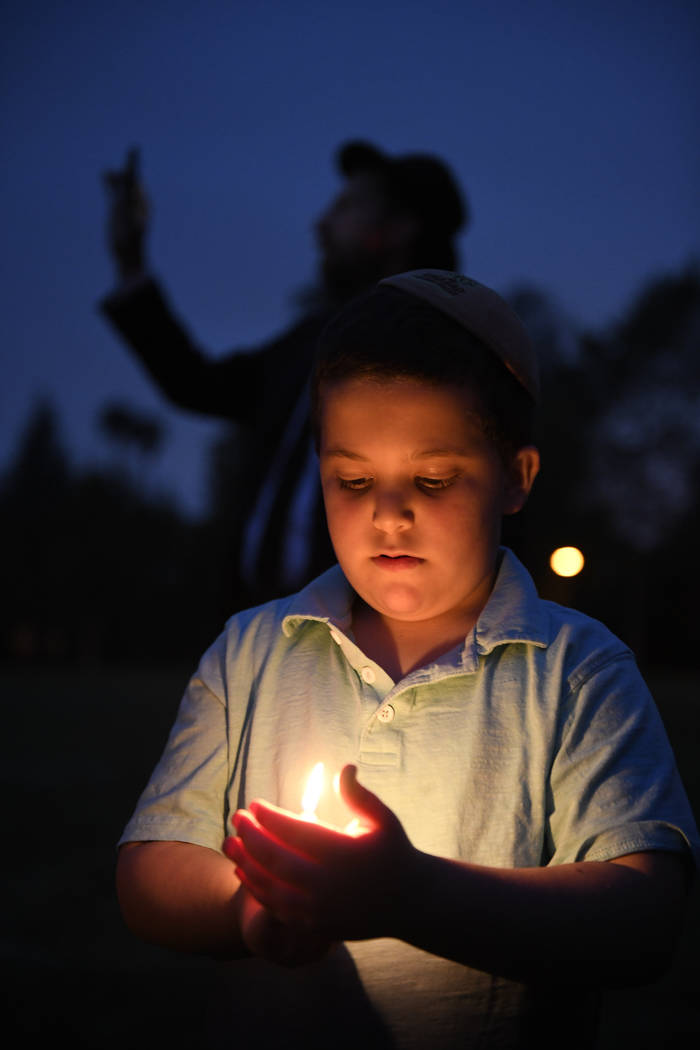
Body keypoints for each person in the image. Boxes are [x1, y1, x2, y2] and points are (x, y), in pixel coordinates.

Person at [115, 270, 698, 1049]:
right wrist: (252, 911)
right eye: (352, 480)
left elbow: (643, 919)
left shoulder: (578, 671)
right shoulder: (250, 652)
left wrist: (410, 895)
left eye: (432, 478)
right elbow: (152, 865)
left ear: (517, 477)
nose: (389, 512)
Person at [100, 144, 468, 605]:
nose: (321, 225)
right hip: (264, 640)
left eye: (346, 207)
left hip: (374, 654)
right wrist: (130, 262)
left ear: (397, 229)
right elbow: (197, 383)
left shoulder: (454, 357)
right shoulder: (313, 342)